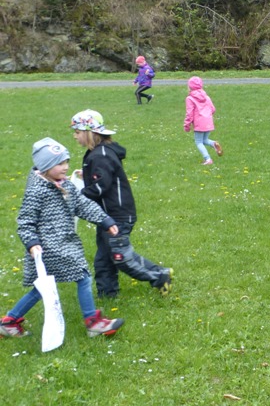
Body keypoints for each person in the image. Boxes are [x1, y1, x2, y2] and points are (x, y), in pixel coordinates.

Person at [0, 138, 125, 339]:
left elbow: (82, 204)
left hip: (64, 243)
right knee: (83, 276)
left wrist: (104, 220)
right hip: (47, 248)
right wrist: (32, 244)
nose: (65, 167)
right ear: (45, 166)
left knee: (42, 289)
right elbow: (25, 221)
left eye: (66, 162)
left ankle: (9, 322)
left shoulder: (64, 184)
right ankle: (92, 322)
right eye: (59, 164)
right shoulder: (37, 190)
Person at [71, 110, 173, 298]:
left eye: (77, 132)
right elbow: (102, 176)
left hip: (117, 215)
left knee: (121, 257)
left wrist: (75, 195)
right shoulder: (99, 152)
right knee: (104, 258)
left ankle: (159, 275)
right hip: (106, 216)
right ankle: (108, 295)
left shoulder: (100, 155)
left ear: (89, 132)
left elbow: (101, 186)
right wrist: (86, 176)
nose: (75, 136)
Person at [184, 76, 223, 165]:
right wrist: (207, 116)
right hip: (208, 121)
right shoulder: (206, 97)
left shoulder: (189, 98)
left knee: (198, 142)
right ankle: (214, 144)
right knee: (204, 140)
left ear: (190, 87)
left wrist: (187, 125)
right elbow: (213, 109)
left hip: (199, 123)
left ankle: (208, 159)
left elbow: (189, 114)